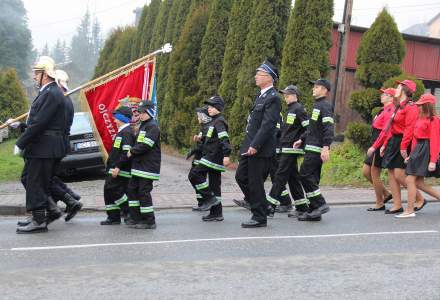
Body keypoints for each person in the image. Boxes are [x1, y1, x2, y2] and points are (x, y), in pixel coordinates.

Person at [15, 56, 69, 234]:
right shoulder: (49, 92)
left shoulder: (51, 93)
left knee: (36, 182)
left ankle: (39, 220)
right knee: (32, 179)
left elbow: (40, 124)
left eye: (36, 73)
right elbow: (39, 122)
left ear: (45, 75)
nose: (33, 77)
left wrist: (21, 142)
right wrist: (23, 127)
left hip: (44, 148)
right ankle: (45, 214)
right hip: (42, 147)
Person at [235, 60, 282, 228]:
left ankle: (259, 216)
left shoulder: (274, 97)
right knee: (240, 177)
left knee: (255, 182)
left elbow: (268, 125)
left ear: (269, 77)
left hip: (260, 148)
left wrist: (255, 145)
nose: (255, 76)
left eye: (259, 74)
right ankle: (262, 206)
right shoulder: (261, 96)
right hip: (250, 145)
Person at [367, 80, 425, 214]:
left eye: (399, 87)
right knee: (391, 173)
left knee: (399, 174)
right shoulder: (399, 106)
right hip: (394, 140)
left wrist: (404, 147)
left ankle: (420, 198)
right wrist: (383, 144)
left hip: (403, 141)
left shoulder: (411, 107)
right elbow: (389, 128)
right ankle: (397, 205)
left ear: (405, 90)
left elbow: (409, 129)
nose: (396, 89)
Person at [293, 79, 334, 221]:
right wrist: (302, 139)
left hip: (316, 149)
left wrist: (326, 147)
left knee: (304, 174)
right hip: (310, 146)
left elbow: (328, 128)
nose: (313, 89)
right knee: (313, 178)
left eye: (317, 87)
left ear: (324, 90)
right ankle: (314, 210)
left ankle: (321, 203)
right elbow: (312, 128)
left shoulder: (325, 106)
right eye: (314, 87)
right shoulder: (317, 105)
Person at [265, 85, 309, 218]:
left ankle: (269, 206)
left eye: (288, 94)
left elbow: (308, 128)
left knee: (280, 176)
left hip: (292, 149)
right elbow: (288, 130)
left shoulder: (299, 109)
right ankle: (302, 207)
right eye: (284, 95)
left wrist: (301, 140)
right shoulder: (290, 109)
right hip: (285, 148)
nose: (285, 97)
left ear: (295, 95)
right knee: (292, 178)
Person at [396, 93, 440, 218]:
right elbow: (415, 138)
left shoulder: (434, 120)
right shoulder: (420, 118)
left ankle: (409, 210)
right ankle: (410, 209)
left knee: (410, 179)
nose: (418, 107)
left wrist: (433, 160)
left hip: (426, 149)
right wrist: (412, 155)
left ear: (427, 106)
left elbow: (435, 141)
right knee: (419, 183)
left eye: (421, 105)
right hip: (418, 149)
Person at [126, 100, 161, 229]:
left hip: (147, 167)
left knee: (143, 192)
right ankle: (136, 218)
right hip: (139, 167)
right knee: (132, 190)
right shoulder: (144, 125)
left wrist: (132, 151)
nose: (139, 115)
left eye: (142, 112)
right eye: (138, 112)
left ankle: (149, 221)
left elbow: (147, 145)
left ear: (150, 112)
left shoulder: (152, 126)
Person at [100, 106, 135, 225]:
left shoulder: (127, 133)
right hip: (113, 168)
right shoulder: (122, 132)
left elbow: (127, 153)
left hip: (120, 169)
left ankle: (128, 212)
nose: (114, 121)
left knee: (113, 189)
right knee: (108, 190)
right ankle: (113, 217)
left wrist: (118, 167)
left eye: (116, 118)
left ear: (122, 119)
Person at [364, 88, 394, 211]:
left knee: (374, 173)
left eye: (385, 94)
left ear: (392, 98)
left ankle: (379, 202)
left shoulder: (390, 110)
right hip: (375, 141)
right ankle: (386, 193)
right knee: (366, 172)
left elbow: (386, 131)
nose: (382, 95)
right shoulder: (382, 110)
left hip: (380, 142)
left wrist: (381, 145)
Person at [187, 106, 212, 211]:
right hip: (198, 158)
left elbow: (207, 144)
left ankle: (206, 200)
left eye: (199, 115)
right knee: (193, 178)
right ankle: (201, 202)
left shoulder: (208, 127)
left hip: (203, 159)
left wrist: (198, 142)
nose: (198, 117)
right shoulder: (203, 127)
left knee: (196, 178)